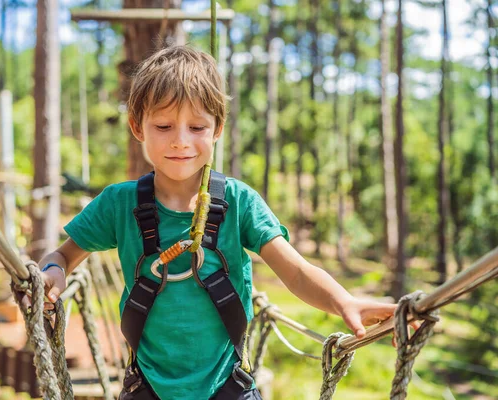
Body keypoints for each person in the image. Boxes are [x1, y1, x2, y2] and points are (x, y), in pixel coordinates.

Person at [32, 45, 399, 400]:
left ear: (217, 128)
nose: (180, 141)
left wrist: (344, 301)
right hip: (147, 387)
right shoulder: (118, 204)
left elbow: (297, 272)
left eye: (196, 127)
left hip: (227, 386)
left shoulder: (239, 204)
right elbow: (63, 256)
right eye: (163, 125)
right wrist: (52, 272)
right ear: (137, 126)